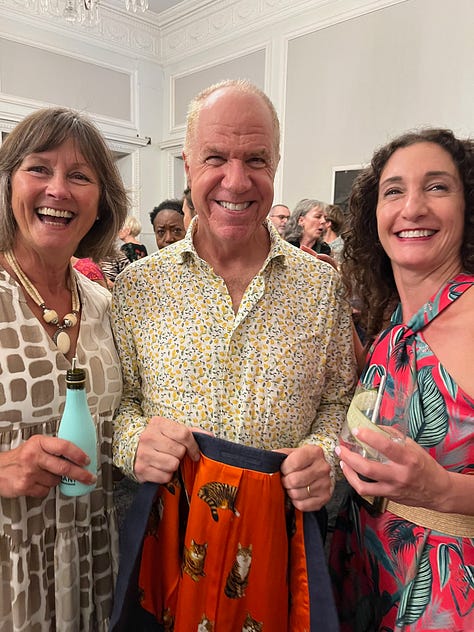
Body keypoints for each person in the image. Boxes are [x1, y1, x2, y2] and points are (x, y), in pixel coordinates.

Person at [111, 79, 356, 630]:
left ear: (276, 164)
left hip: (280, 549)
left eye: (256, 159)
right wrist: (132, 442)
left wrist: (328, 458)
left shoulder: (322, 288)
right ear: (187, 166)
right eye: (216, 158)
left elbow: (343, 400)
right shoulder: (138, 288)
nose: (236, 180)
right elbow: (117, 405)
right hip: (168, 542)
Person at [329, 128, 474, 631]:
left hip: (444, 600)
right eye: (394, 190)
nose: (412, 207)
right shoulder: (390, 323)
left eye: (437, 187)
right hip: (362, 572)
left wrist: (445, 492)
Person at [0, 106, 128, 631]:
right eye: (39, 169)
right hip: (11, 568)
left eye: (80, 176)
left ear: (101, 203)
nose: (59, 190)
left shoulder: (105, 305)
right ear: (8, 186)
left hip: (98, 559)